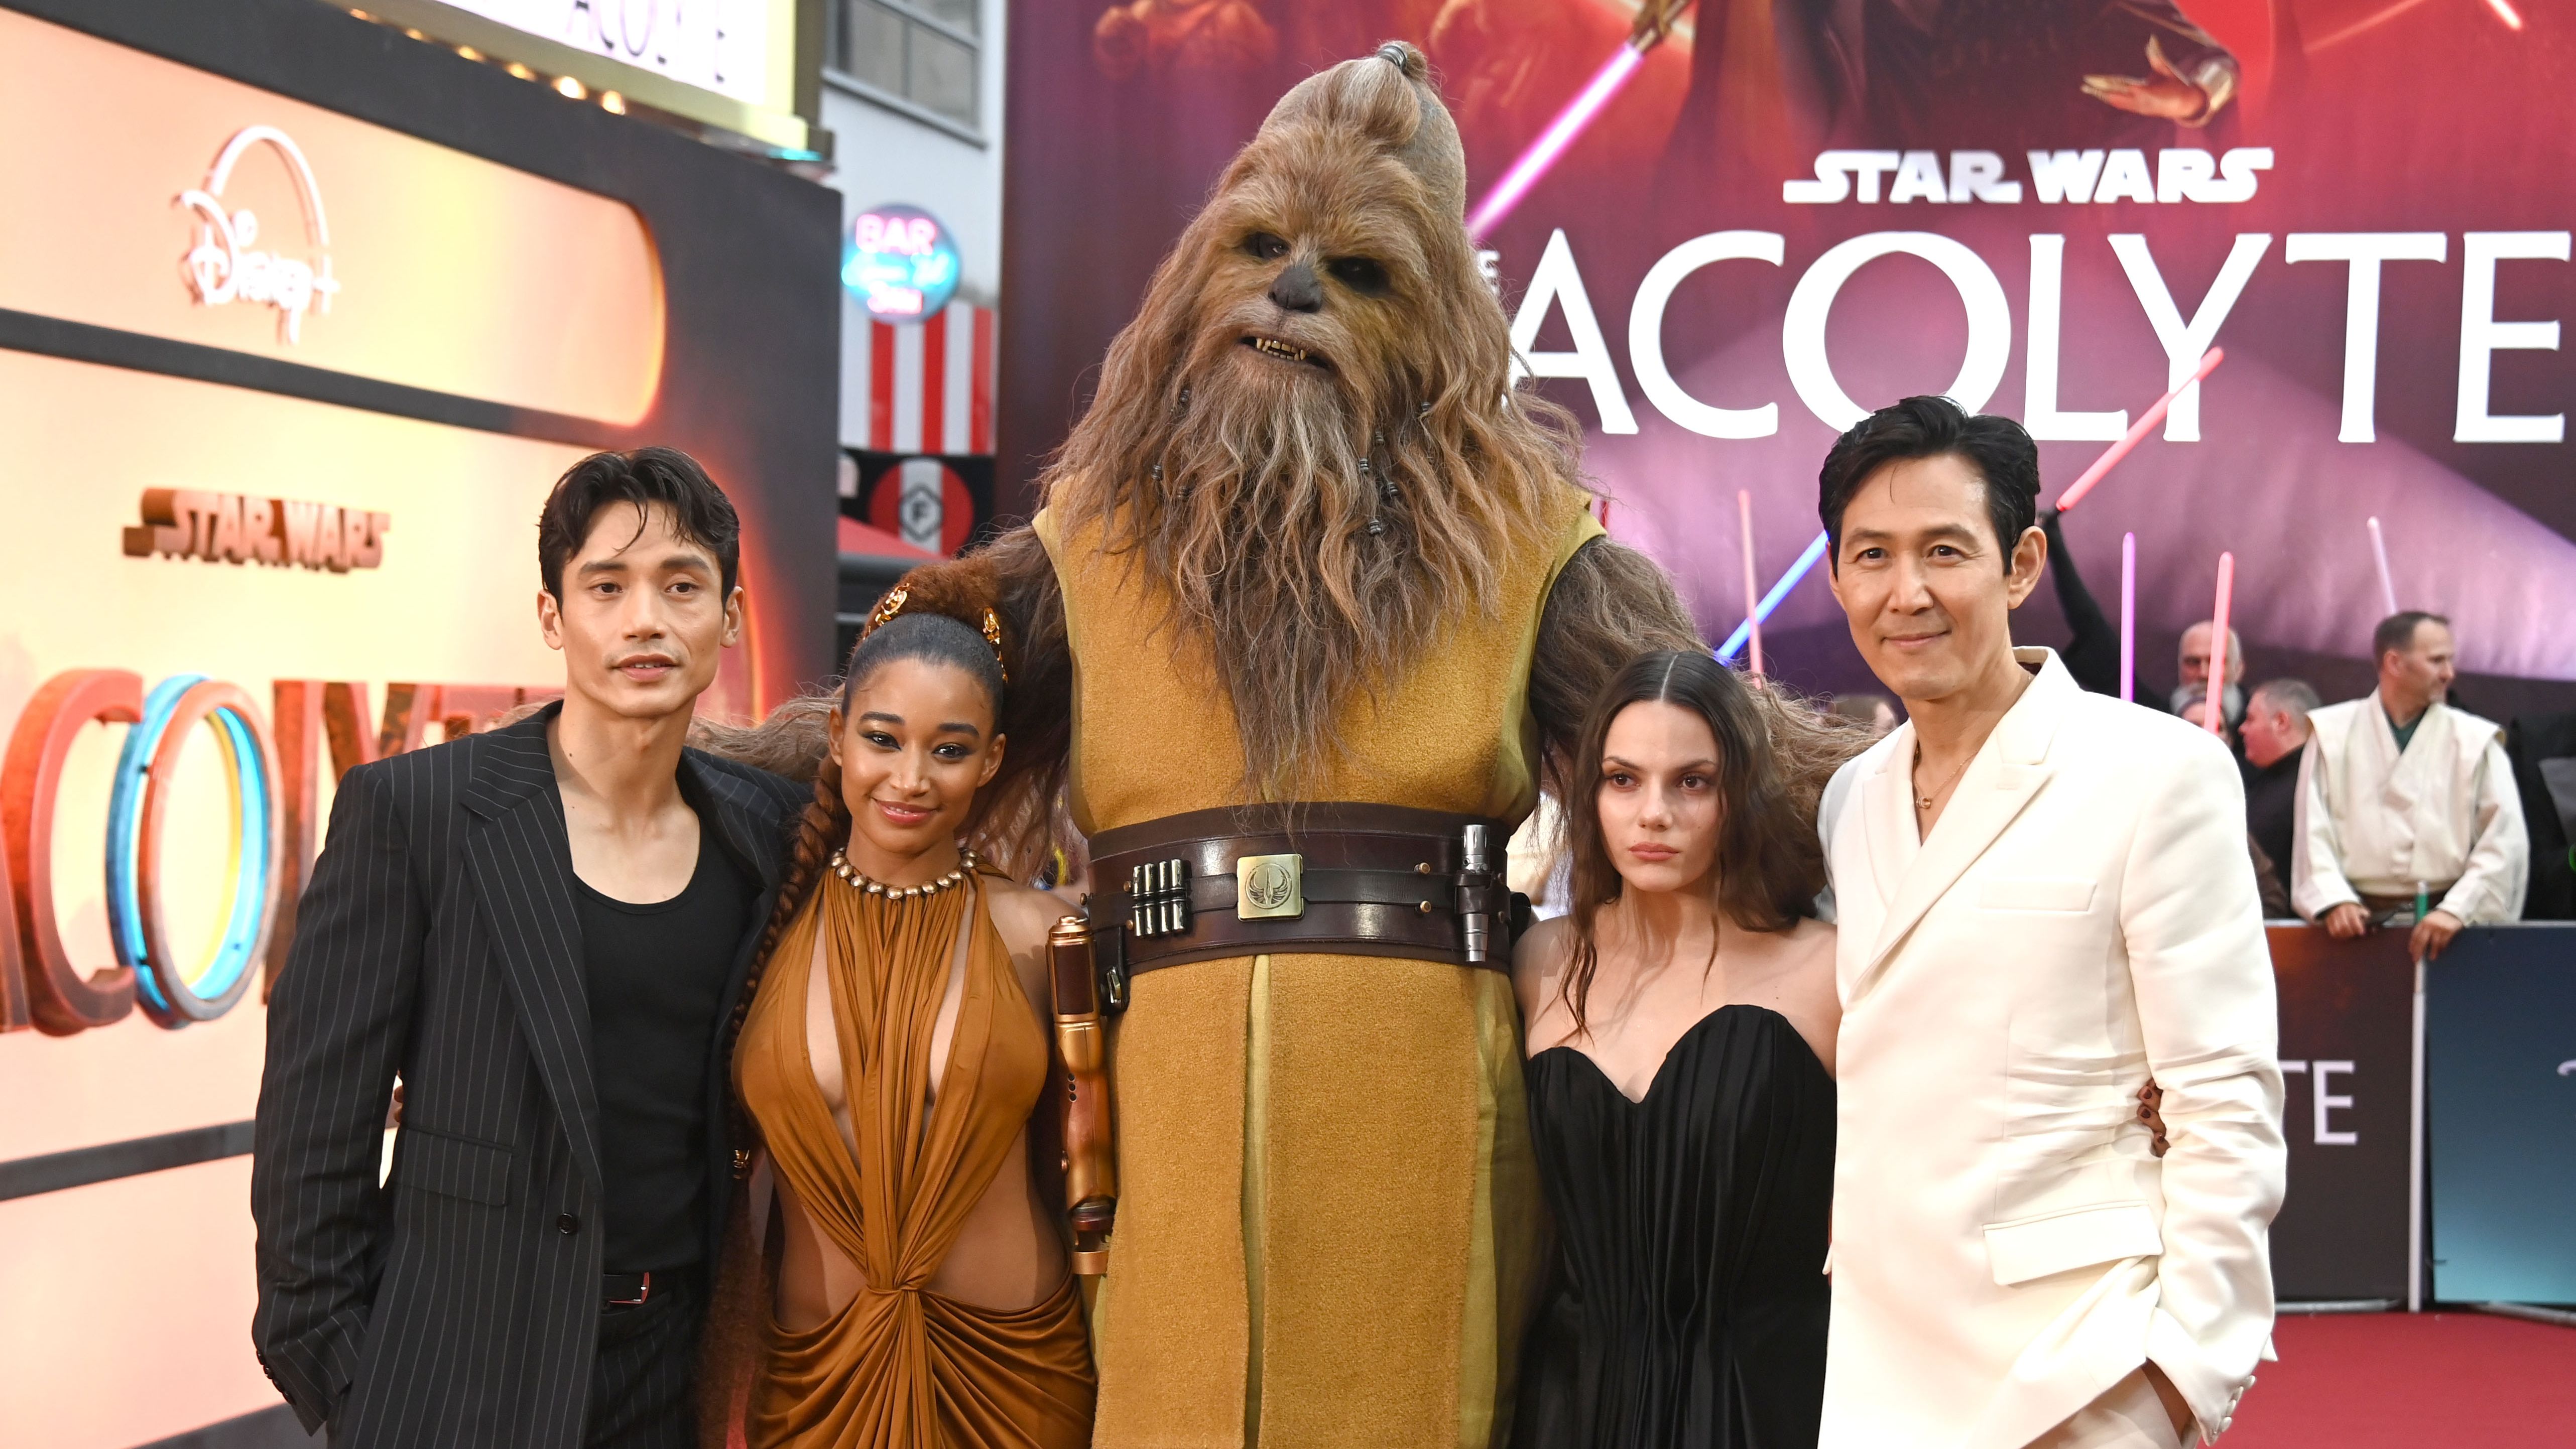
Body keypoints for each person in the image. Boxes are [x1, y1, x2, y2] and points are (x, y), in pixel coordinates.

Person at [881, 43, 1705, 1446]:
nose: (1297, 290)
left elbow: (1706, 753)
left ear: (1439, 326)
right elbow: (903, 716)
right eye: (1260, 244)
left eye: (1362, 271)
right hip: (1155, 1118)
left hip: (1423, 1118)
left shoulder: (1530, 553)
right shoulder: (1093, 539)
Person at [252, 449, 809, 1448]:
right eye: (607, 586)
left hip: (679, 1374)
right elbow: (312, 1142)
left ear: (727, 618)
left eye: (681, 585)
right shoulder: (419, 816)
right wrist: (355, 1386)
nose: (645, 618)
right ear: (554, 618)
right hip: (455, 1383)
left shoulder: (765, 833)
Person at [1811, 396, 2284, 1449]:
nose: (1908, 593)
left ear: (2021, 564)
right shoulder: (1852, 797)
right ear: (1838, 576)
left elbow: (2225, 1099)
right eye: (1871, 556)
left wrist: (2181, 1378)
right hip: (1878, 1366)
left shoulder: (2159, 772)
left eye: (1944, 550)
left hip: (2077, 1366)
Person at [720, 598, 1095, 1447]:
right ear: (838, 732)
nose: (912, 777)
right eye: (884, 739)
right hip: (815, 1387)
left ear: (992, 758)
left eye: (950, 749)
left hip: (1014, 1382)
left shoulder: (1039, 936)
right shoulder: (763, 934)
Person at [1511, 650, 1858, 1448]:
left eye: (1690, 781)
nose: (1652, 813)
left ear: (1739, 792)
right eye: (1622, 779)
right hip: (1570, 1405)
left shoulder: (1827, 969)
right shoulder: (1539, 963)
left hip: (1765, 1406)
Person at [2292, 611, 2528, 959]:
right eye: (2436, 660)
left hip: (2452, 931)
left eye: (2449, 660)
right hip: (2355, 927)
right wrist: (2333, 899)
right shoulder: (2333, 734)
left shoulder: (2475, 740)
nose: (2448, 673)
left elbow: (2503, 841)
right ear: (2394, 663)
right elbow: (2312, 830)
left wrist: (2457, 909)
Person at [2240, 679, 2319, 907]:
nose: (2242, 729)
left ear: (2281, 722)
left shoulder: (2318, 784)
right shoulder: (2266, 782)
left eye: (2251, 719)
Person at [2173, 620, 2245, 731]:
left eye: (2215, 662)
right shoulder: (2155, 721)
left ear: (2238, 669)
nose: (2204, 674)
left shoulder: (2259, 727)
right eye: (2193, 662)